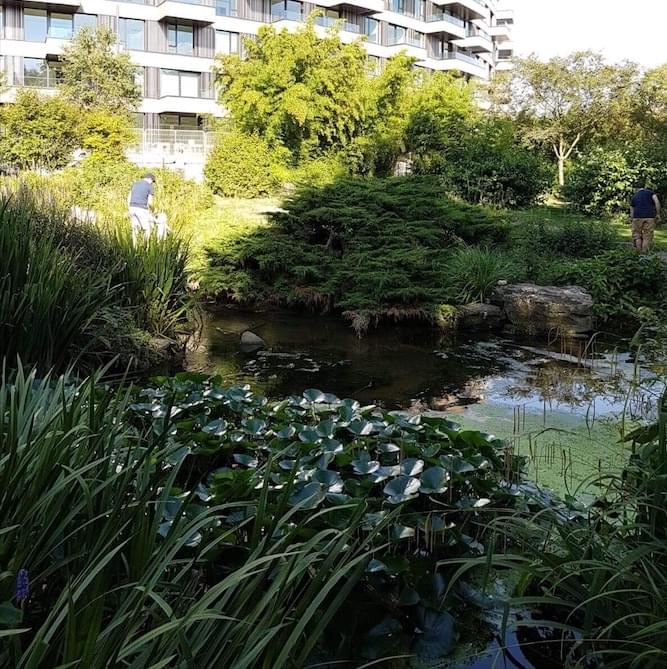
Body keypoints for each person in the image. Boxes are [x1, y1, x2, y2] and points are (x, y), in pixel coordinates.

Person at [630, 183, 661, 254]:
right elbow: (657, 202)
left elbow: (632, 208)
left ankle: (638, 255)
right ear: (644, 187)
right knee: (647, 236)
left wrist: (632, 218)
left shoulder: (634, 196)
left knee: (637, 236)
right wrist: (658, 214)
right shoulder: (650, 193)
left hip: (637, 217)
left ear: (636, 188)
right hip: (649, 216)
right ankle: (644, 255)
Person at [128, 173, 156, 243]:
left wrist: (129, 208)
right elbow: (150, 202)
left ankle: (135, 248)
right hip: (142, 208)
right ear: (150, 179)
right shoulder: (149, 186)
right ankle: (145, 247)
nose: (152, 183)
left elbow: (129, 197)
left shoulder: (135, 184)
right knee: (147, 229)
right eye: (152, 181)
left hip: (132, 207)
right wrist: (153, 210)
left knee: (135, 229)